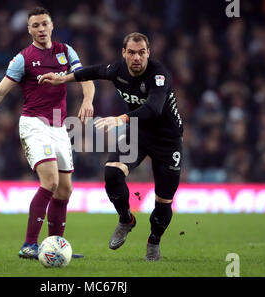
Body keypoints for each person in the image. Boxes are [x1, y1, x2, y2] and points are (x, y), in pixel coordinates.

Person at [0, 7, 95, 259]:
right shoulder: (23, 58)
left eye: (45, 24)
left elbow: (85, 77)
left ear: (52, 25)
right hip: (34, 124)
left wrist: (88, 100)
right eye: (36, 26)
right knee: (51, 182)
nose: (41, 29)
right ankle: (29, 245)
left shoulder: (66, 51)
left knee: (65, 190)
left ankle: (55, 246)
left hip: (59, 126)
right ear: (29, 30)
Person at [39, 32, 183, 261]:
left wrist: (120, 119)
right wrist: (62, 79)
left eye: (142, 52)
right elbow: (92, 71)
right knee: (112, 173)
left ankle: (154, 241)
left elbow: (154, 108)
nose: (137, 57)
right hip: (138, 133)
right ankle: (126, 219)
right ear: (124, 53)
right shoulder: (118, 70)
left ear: (149, 53)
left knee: (164, 200)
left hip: (168, 140)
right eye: (132, 52)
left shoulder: (159, 75)